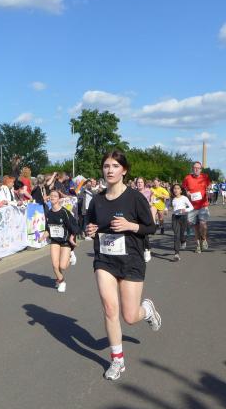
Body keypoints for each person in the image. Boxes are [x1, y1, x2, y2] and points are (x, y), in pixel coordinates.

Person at [85, 150, 161, 381]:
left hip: (131, 260)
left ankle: (147, 310)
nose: (110, 170)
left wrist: (130, 225)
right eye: (106, 166)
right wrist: (89, 229)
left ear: (124, 170)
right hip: (105, 260)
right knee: (110, 309)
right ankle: (117, 360)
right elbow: (89, 224)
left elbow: (151, 227)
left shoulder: (135, 198)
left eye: (115, 166)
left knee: (130, 316)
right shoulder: (97, 200)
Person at [45, 190, 79, 292]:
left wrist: (72, 237)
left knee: (62, 266)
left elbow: (74, 226)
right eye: (51, 195)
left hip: (65, 241)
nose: (52, 197)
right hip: (55, 240)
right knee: (55, 265)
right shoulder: (48, 213)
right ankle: (61, 281)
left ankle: (70, 255)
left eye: (55, 196)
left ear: (59, 199)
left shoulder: (64, 212)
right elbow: (48, 229)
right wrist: (41, 237)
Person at [182, 161, 211, 253]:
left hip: (203, 204)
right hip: (192, 206)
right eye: (194, 168)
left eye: (198, 168)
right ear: (192, 168)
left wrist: (208, 189)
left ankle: (204, 239)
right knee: (196, 226)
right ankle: (198, 245)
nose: (196, 169)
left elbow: (209, 185)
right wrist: (187, 192)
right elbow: (184, 188)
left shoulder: (205, 177)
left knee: (203, 225)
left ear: (201, 169)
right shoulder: (187, 178)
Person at [169, 183, 192, 261]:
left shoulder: (184, 198)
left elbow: (191, 207)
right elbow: (167, 205)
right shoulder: (172, 198)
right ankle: (176, 254)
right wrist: (165, 209)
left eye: (178, 188)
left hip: (183, 217)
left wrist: (185, 210)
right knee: (176, 235)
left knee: (181, 234)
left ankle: (183, 241)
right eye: (174, 188)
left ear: (181, 190)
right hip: (175, 218)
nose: (176, 190)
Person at [134, 177, 154, 262]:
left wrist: (151, 202)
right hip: (136, 215)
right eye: (138, 182)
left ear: (144, 183)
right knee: (136, 233)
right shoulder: (133, 192)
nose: (139, 184)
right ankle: (138, 251)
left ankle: (147, 250)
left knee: (144, 233)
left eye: (141, 182)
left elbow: (153, 201)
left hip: (146, 214)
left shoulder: (149, 191)